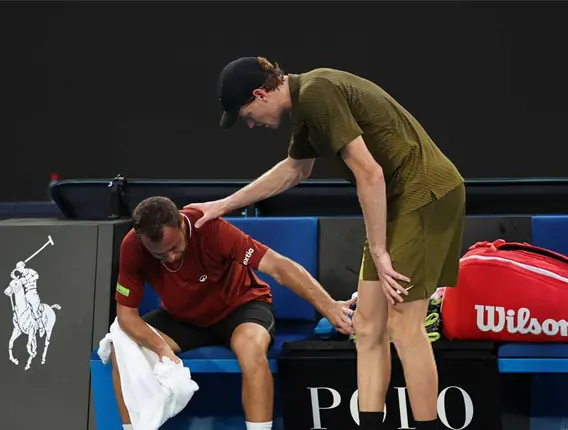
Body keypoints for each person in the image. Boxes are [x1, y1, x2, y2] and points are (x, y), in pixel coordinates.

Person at [186, 57, 465, 430]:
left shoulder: (317, 93)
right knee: (366, 325)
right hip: (397, 203)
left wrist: (380, 251)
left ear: (259, 94)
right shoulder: (306, 103)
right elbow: (295, 170)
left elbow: (370, 172)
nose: (250, 124)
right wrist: (222, 205)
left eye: (247, 114)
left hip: (425, 194)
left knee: (404, 324)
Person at [111, 196, 355, 430]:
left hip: (241, 307)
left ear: (180, 224)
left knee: (250, 347)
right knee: (121, 347)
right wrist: (160, 348)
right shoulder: (133, 245)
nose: (171, 258)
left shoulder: (211, 228)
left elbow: (279, 267)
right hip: (183, 317)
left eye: (174, 247)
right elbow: (126, 317)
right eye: (160, 254)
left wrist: (329, 306)